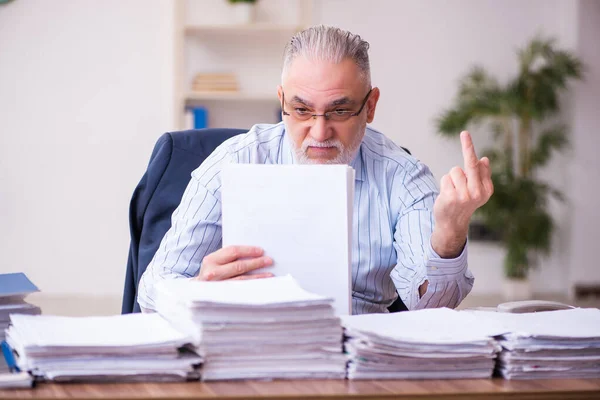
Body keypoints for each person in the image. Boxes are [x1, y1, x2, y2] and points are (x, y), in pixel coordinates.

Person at [137, 25, 493, 314]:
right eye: (302, 110)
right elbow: (153, 288)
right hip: (248, 349)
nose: (319, 133)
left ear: (370, 106)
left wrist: (449, 234)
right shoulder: (231, 161)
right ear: (281, 102)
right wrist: (199, 291)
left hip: (357, 357)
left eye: (339, 111)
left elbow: (432, 306)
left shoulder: (404, 177)